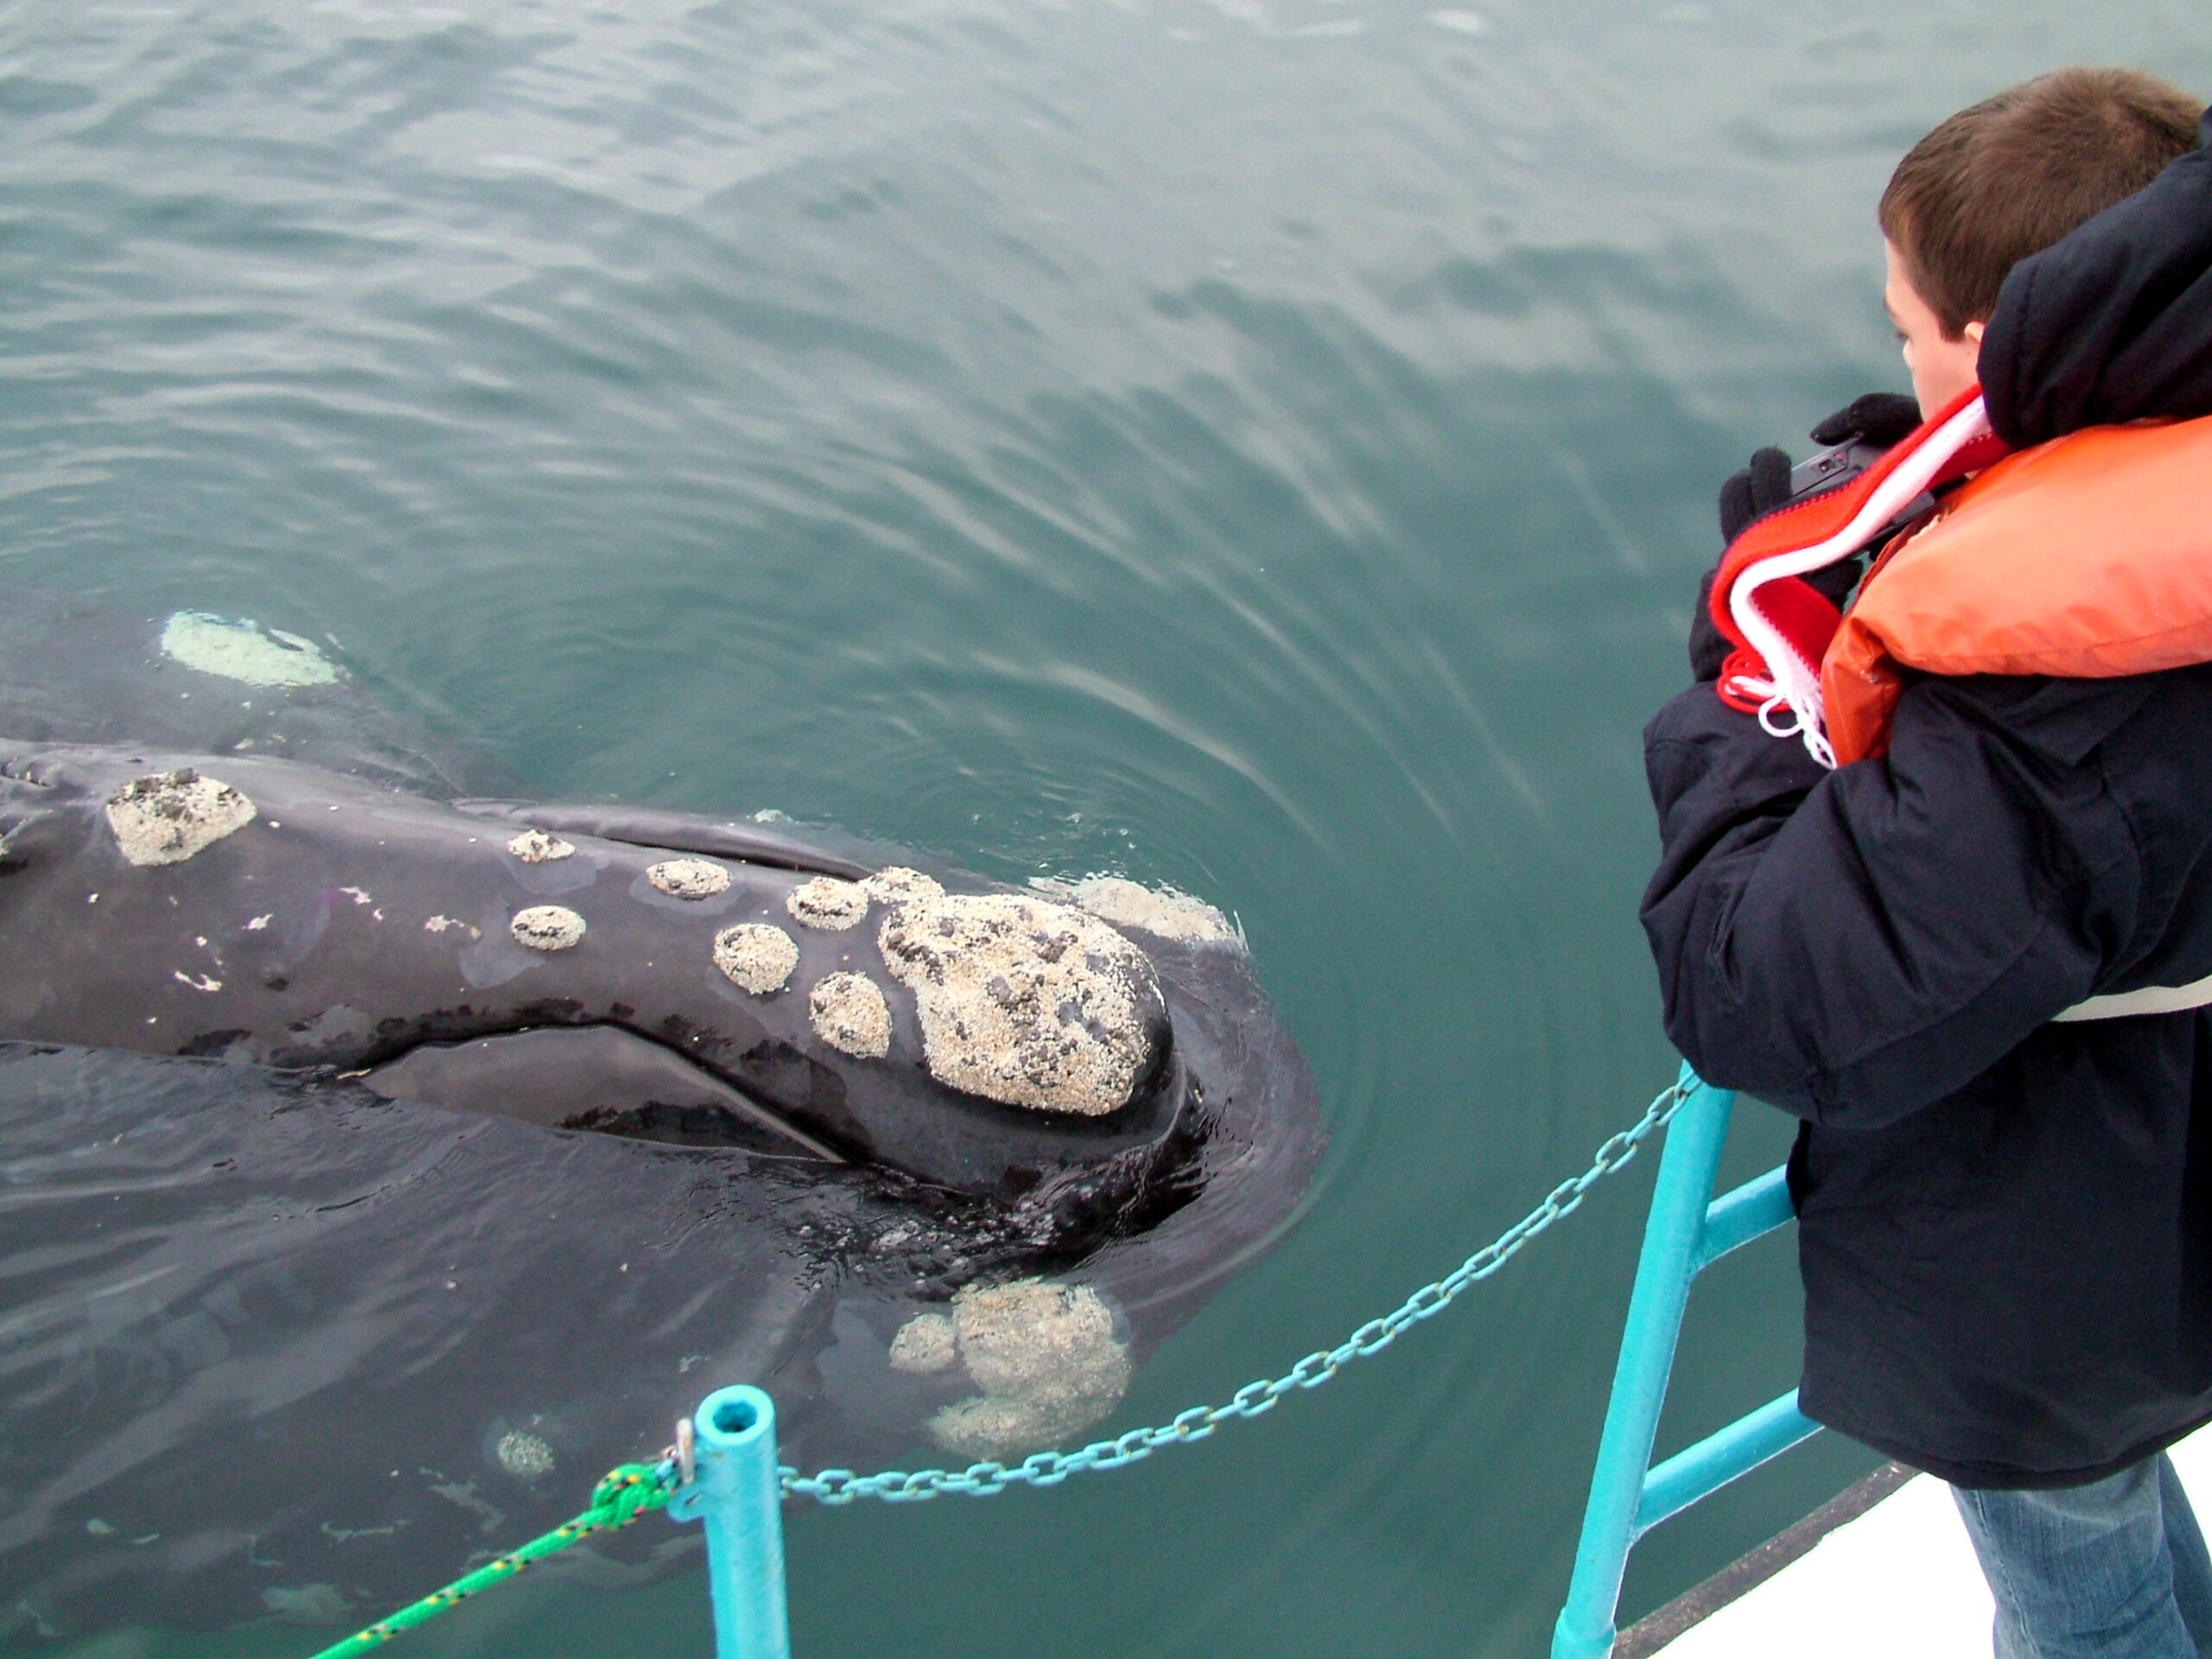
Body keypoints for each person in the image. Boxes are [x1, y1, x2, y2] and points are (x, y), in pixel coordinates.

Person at [1641, 68, 2212, 1658]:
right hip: (2167, 1207)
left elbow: (1757, 990)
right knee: (2120, 1500)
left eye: (1908, 331)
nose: (1898, 354)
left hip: (2065, 1253)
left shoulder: (2054, 705)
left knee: (2081, 1584)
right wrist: (1925, 501)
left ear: (1995, 346)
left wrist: (1745, 695)